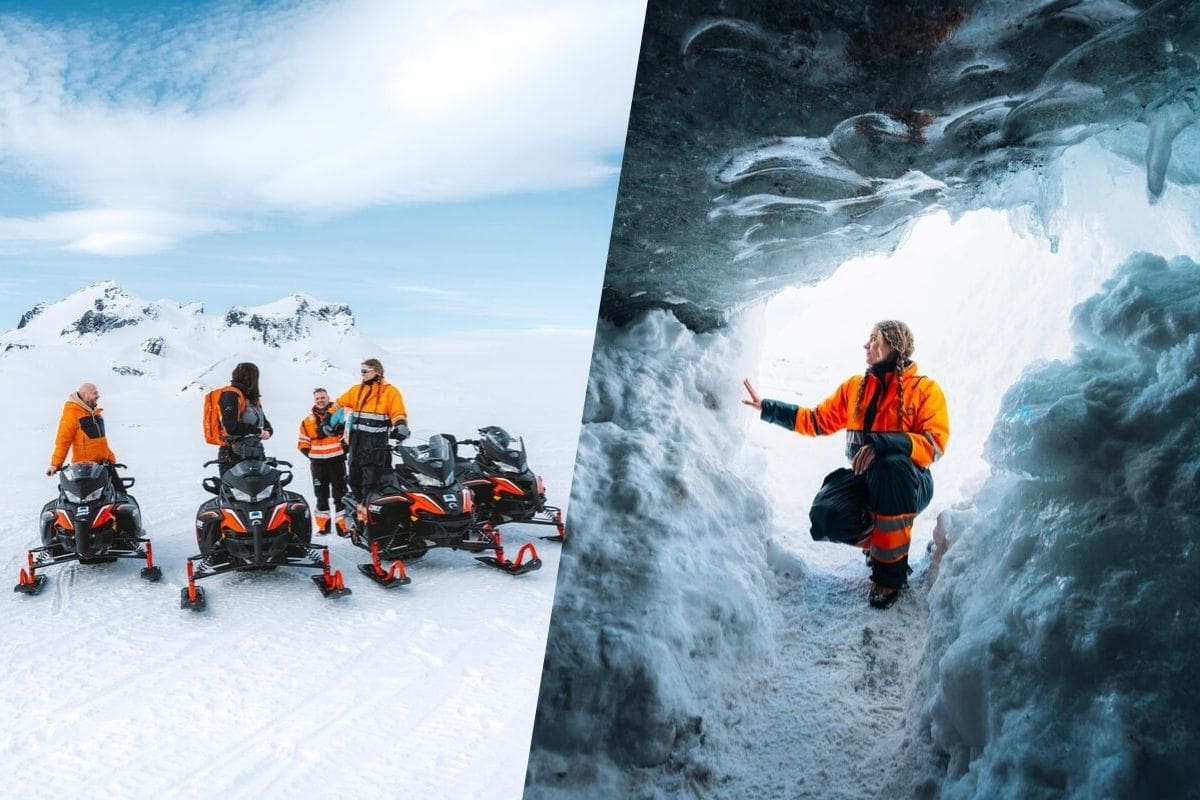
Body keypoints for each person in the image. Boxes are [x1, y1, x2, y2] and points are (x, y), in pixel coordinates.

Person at [742, 320, 949, 609]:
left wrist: (884, 443)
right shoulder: (856, 388)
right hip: (866, 480)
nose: (867, 345)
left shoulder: (925, 390)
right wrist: (767, 407)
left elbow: (935, 444)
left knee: (891, 466)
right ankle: (880, 544)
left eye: (874, 339)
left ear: (894, 345)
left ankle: (889, 576)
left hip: (910, 483)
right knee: (826, 515)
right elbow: (815, 421)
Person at [336, 358, 408, 507]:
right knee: (354, 479)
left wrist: (400, 425)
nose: (361, 374)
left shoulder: (390, 392)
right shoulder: (356, 390)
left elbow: (398, 413)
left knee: (372, 482)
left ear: (376, 372)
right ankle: (359, 515)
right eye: (361, 371)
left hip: (376, 446)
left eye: (364, 371)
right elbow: (338, 405)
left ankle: (371, 519)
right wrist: (328, 420)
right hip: (356, 444)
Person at [297, 387, 349, 535]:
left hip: (337, 462)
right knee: (321, 495)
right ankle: (323, 527)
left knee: (341, 494)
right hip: (318, 465)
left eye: (323, 398)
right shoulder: (307, 421)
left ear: (328, 398)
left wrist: (342, 450)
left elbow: (348, 437)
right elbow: (302, 443)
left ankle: (343, 527)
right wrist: (312, 455)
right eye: (317, 398)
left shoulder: (339, 416)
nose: (320, 400)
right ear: (315, 401)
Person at [47, 382, 118, 479]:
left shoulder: (95, 414)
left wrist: (109, 457)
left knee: (118, 492)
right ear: (85, 395)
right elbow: (63, 441)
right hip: (85, 470)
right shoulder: (72, 414)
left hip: (103, 466)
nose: (98, 396)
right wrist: (55, 464)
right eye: (95, 393)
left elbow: (100, 441)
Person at [216, 362, 273, 475]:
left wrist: (268, 432)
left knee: (261, 490)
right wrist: (257, 431)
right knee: (235, 491)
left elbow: (266, 424)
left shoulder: (253, 399)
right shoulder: (231, 395)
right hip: (233, 454)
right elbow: (231, 426)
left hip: (255, 453)